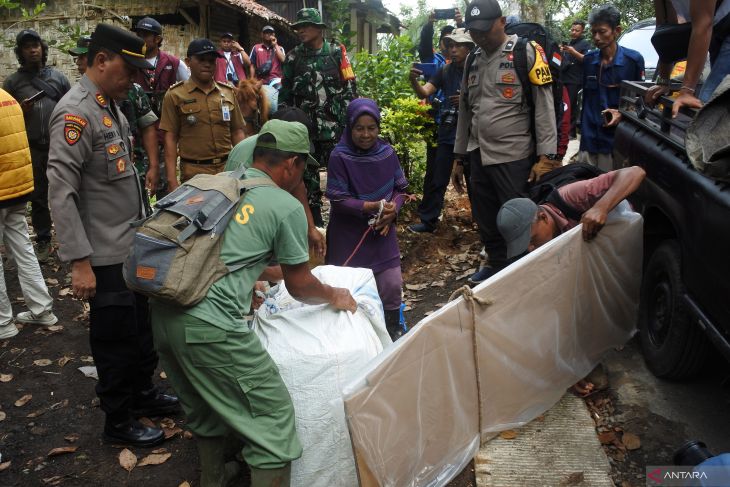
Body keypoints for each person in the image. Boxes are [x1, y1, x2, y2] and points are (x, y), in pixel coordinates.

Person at [150, 119, 357, 487]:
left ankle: (214, 479)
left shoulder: (219, 186)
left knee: (204, 406)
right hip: (210, 327)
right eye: (302, 168)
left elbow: (231, 255)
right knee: (273, 421)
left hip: (164, 315)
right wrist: (334, 294)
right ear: (291, 164)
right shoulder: (282, 204)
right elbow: (301, 286)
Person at [47, 23, 179, 447]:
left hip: (130, 245)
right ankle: (119, 421)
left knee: (141, 329)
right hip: (102, 255)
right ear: (101, 61)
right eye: (129, 70)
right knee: (115, 339)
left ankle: (143, 393)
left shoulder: (109, 104)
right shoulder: (75, 113)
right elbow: (61, 193)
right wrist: (79, 263)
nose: (136, 79)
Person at [453, 0, 559, 285]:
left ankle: (522, 272)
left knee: (520, 220)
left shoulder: (526, 51)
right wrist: (459, 156)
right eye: (474, 32)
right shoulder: (473, 59)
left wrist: (546, 156)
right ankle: (496, 265)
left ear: (501, 22)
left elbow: (544, 105)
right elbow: (465, 109)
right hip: (479, 154)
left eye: (484, 30)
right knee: (486, 217)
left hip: (514, 156)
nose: (479, 36)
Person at [325, 99, 409, 340]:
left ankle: (392, 330)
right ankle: (354, 340)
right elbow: (338, 200)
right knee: (348, 289)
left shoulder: (387, 153)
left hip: (381, 232)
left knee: (391, 285)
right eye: (359, 128)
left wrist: (394, 210)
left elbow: (401, 189)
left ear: (378, 127)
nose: (365, 134)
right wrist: (369, 206)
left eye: (371, 127)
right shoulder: (339, 157)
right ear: (350, 128)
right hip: (348, 237)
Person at [279, 7, 357, 227]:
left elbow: (351, 89)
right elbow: (285, 96)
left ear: (319, 29)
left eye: (306, 26)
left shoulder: (335, 52)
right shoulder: (294, 57)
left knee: (340, 178)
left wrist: (351, 125)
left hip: (335, 130)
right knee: (307, 180)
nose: (301, 30)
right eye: (298, 27)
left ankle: (342, 225)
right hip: (305, 132)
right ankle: (314, 227)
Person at [68, 35, 160, 211]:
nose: (79, 62)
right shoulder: (77, 104)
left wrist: (153, 166)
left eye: (83, 56)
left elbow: (148, 128)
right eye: (77, 57)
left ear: (98, 58)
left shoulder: (130, 91)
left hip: (134, 167)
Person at [2, 29, 71, 263]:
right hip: (31, 147)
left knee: (66, 192)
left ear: (42, 48)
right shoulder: (13, 82)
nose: (32, 50)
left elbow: (72, 110)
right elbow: (6, 118)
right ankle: (43, 240)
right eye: (27, 47)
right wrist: (21, 111)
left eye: (36, 45)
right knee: (39, 196)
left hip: (59, 145)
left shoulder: (59, 78)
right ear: (20, 52)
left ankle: (71, 242)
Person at [225, 106, 326, 257]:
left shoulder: (287, 161)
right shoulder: (245, 161)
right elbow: (237, 220)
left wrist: (311, 228)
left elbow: (298, 184)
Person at [0, 87, 58, 340]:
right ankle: (42, 309)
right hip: (18, 187)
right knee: (22, 247)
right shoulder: (7, 97)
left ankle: (3, 323)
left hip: (2, 187)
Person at [496, 166, 646, 258]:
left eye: (531, 240)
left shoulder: (572, 196)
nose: (530, 249)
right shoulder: (541, 232)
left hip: (626, 244)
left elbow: (635, 172)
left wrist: (600, 208)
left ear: (543, 218)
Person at [408, 28, 474, 233]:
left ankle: (484, 222)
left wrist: (466, 98)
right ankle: (428, 221)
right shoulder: (445, 70)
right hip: (448, 130)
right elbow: (425, 91)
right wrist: (413, 80)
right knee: (438, 178)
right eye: (451, 46)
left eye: (458, 46)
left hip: (473, 133)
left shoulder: (478, 68)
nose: (453, 50)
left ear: (469, 48)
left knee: (475, 181)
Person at [159, 38, 246, 190]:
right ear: (188, 62)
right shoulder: (175, 95)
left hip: (228, 170)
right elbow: (170, 138)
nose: (207, 64)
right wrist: (172, 179)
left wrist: (244, 166)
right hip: (194, 173)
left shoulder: (228, 93)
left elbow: (237, 132)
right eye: (201, 59)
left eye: (212, 60)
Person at [576, 5, 644, 172]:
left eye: (602, 31)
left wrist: (623, 114)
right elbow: (585, 100)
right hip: (589, 139)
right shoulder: (589, 60)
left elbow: (641, 102)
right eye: (593, 33)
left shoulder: (633, 60)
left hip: (616, 141)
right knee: (587, 185)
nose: (597, 37)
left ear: (617, 30)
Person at [132, 16, 189, 196]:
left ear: (157, 39)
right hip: (138, 137)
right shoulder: (130, 63)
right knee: (137, 185)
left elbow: (188, 91)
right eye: (139, 34)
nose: (141, 39)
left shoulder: (173, 63)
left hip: (166, 135)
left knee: (166, 186)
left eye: (145, 35)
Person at [645, 0, 730, 115]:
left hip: (721, 26)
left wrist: (687, 91)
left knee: (708, 102)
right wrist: (663, 81)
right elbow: (665, 33)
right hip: (717, 32)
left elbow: (703, 24)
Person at [560, 20, 592, 139]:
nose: (574, 32)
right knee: (564, 106)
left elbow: (587, 60)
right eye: (572, 29)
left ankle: (571, 133)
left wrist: (573, 52)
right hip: (564, 79)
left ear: (582, 31)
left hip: (575, 80)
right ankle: (563, 130)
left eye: (577, 30)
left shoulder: (585, 44)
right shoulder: (569, 43)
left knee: (572, 107)